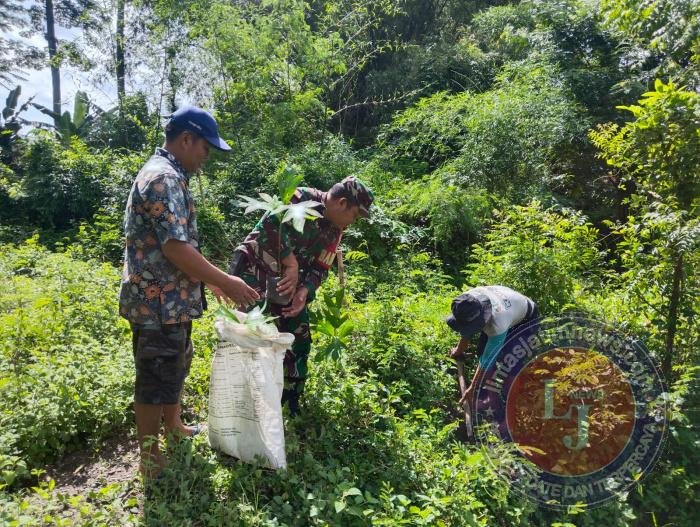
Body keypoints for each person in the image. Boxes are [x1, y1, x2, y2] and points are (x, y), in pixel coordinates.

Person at [119, 105, 259, 479]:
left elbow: (177, 248)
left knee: (175, 364)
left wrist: (206, 280)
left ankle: (174, 425)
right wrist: (226, 280)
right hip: (157, 304)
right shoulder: (163, 179)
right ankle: (150, 460)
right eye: (204, 148)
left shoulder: (168, 175)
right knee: (155, 378)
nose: (205, 157)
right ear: (185, 139)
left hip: (170, 301)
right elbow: (175, 249)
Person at [228, 176, 374, 415]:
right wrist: (291, 263)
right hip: (255, 274)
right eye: (355, 215)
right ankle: (243, 397)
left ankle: (290, 398)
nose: (353, 222)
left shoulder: (335, 230)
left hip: (289, 286)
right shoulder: (300, 198)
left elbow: (321, 266)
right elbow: (268, 226)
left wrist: (304, 292)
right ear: (342, 203)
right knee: (251, 334)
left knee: (299, 338)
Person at [447, 285, 538, 406]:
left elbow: (487, 361)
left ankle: (511, 406)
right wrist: (459, 350)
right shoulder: (465, 303)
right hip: (509, 309)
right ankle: (493, 397)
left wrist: (472, 389)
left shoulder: (497, 324)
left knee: (511, 364)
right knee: (481, 351)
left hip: (525, 319)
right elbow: (466, 330)